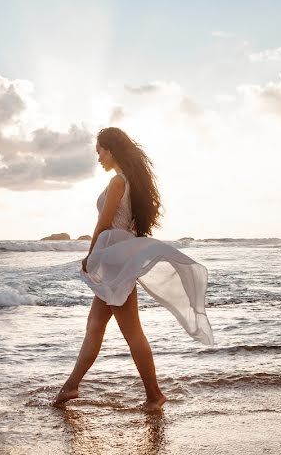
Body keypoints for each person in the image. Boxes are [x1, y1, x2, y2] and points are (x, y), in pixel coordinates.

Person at [53, 127, 214, 412]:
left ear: (111, 150)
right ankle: (71, 386)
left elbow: (104, 224)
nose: (99, 157)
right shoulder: (130, 182)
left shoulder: (118, 182)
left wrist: (90, 254)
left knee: (132, 332)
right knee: (95, 327)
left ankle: (154, 395)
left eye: (100, 151)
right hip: (118, 256)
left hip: (114, 258)